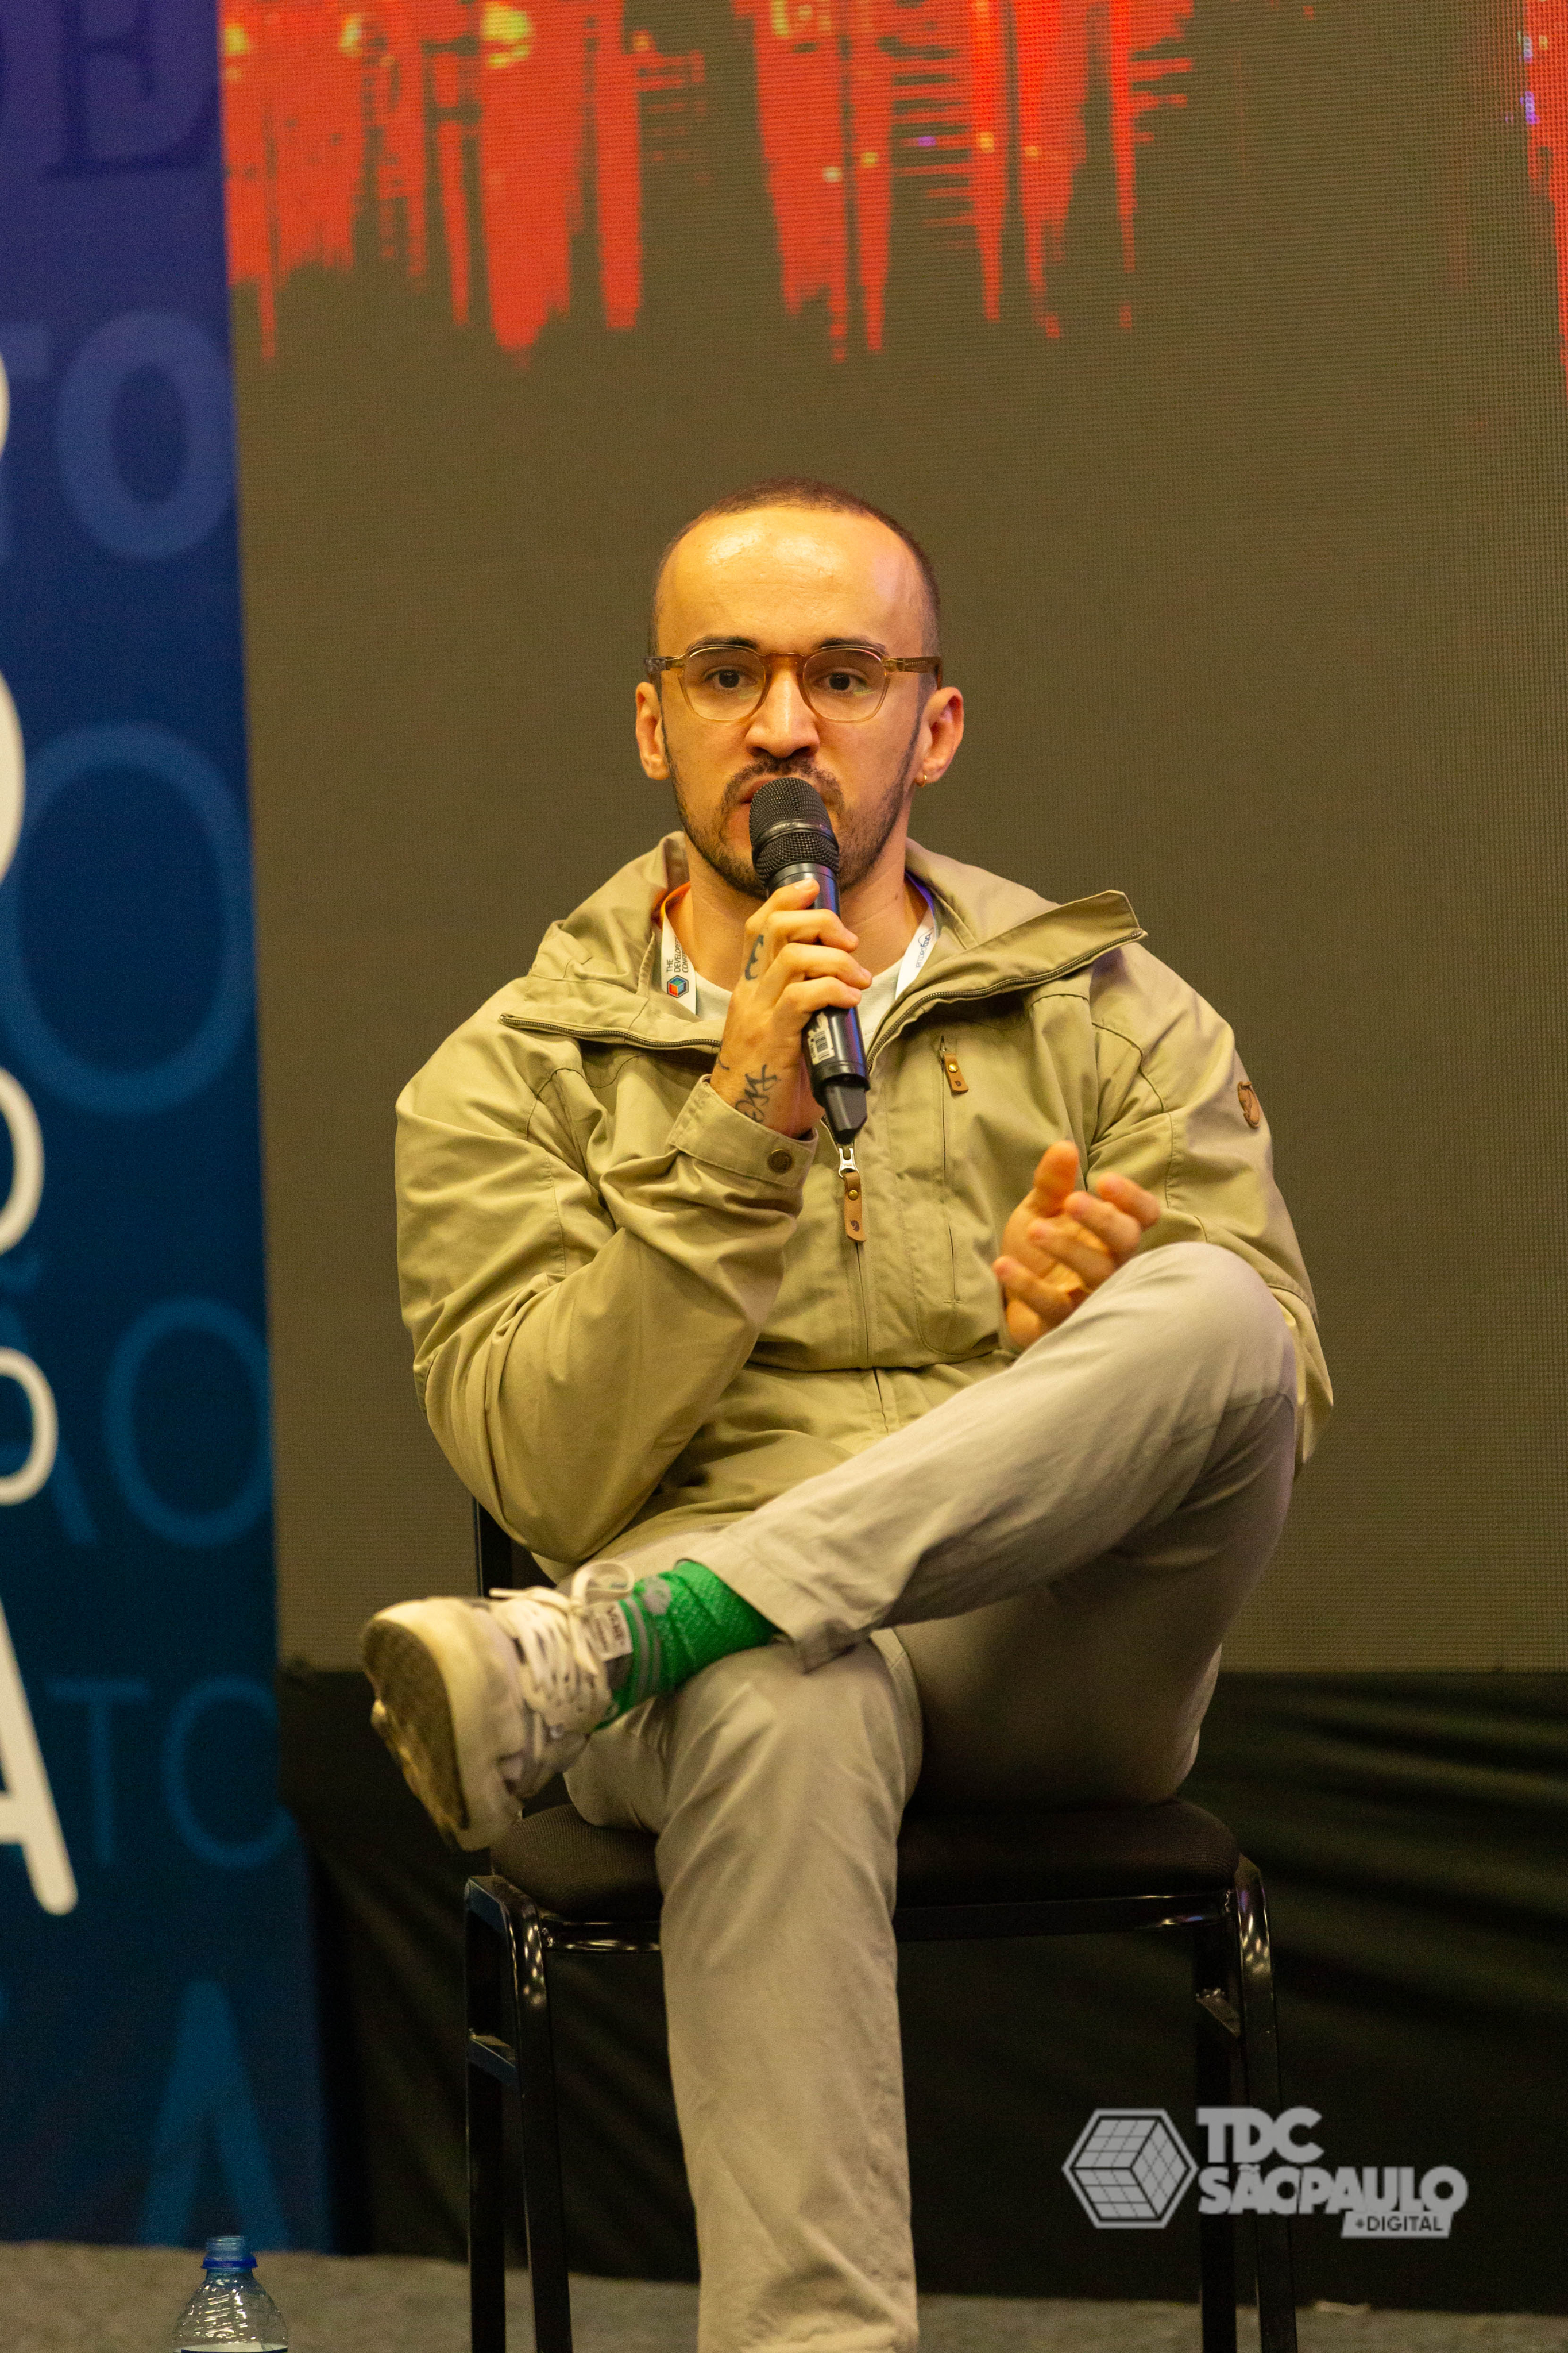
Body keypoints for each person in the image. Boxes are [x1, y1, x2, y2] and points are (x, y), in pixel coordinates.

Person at [364, 479, 1330, 2353]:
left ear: (932, 724)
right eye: (727, 674)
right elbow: (539, 1467)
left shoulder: (1108, 1014)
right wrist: (731, 1145)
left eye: (842, 672)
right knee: (767, 1683)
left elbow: (1266, 1391)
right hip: (721, 1695)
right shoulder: (502, 1078)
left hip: (1043, 1658)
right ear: (655, 723)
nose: (786, 725)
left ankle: (637, 1633)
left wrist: (1078, 1340)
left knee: (1208, 1302)